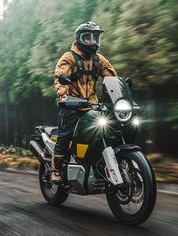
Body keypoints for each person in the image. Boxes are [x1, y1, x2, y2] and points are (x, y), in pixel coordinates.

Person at [52, 21, 117, 182]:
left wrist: (119, 94)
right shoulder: (69, 57)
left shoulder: (98, 60)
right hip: (72, 105)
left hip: (92, 107)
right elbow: (59, 76)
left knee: (110, 130)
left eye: (95, 38)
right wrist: (64, 96)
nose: (93, 42)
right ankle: (56, 170)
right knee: (66, 135)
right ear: (80, 39)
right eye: (88, 38)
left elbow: (112, 78)